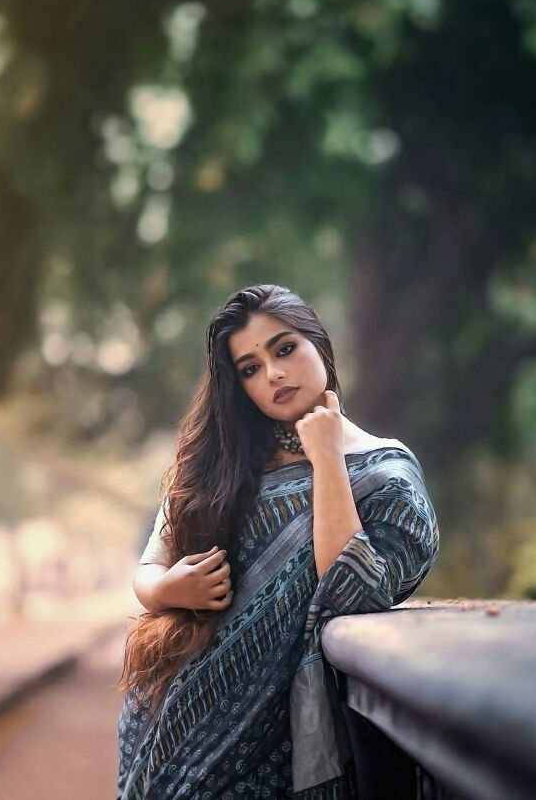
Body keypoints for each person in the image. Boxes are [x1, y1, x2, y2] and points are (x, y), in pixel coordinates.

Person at [117, 283, 439, 799]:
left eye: (285, 349)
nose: (273, 374)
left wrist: (327, 456)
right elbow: (150, 567)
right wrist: (168, 590)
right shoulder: (217, 460)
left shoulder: (385, 472)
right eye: (250, 368)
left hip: (276, 734)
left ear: (320, 345)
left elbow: (351, 593)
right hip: (170, 715)